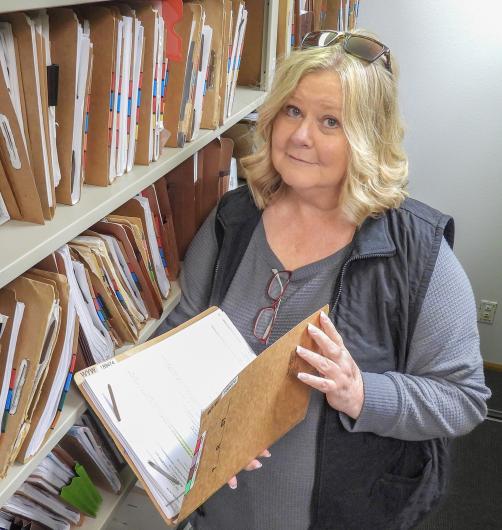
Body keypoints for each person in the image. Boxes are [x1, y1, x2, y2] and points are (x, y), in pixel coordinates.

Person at [156, 29, 491, 530]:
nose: (300, 136)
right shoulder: (235, 218)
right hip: (217, 507)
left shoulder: (418, 252)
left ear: (367, 137)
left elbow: (462, 399)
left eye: (329, 121)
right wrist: (191, 430)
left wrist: (360, 393)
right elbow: (177, 338)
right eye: (292, 111)